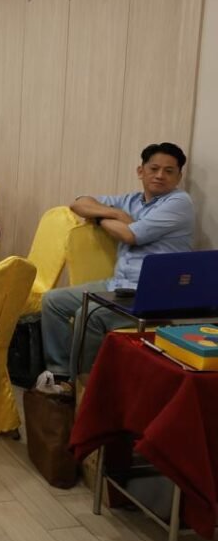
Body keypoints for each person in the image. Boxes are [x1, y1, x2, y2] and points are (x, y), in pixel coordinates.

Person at [40, 142, 195, 383]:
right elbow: (78, 203)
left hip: (155, 293)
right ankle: (59, 373)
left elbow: (130, 235)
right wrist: (115, 213)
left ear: (179, 177)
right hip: (119, 285)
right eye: (154, 168)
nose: (160, 175)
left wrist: (99, 217)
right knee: (53, 301)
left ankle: (84, 384)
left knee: (88, 315)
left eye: (169, 171)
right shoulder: (130, 200)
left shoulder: (179, 203)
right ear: (140, 171)